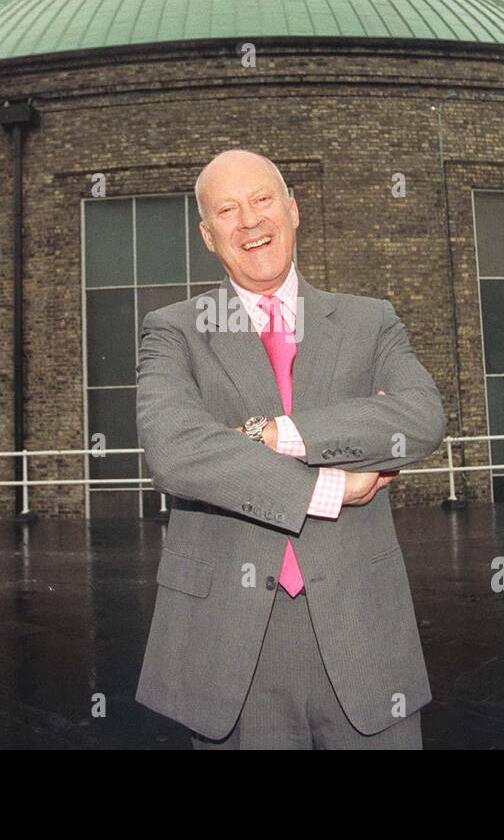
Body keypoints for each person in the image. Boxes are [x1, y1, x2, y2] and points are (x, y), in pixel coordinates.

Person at [134, 149, 446, 749]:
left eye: (262, 200)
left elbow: (420, 416)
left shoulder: (370, 321)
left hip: (364, 637)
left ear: (294, 209)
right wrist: (330, 486)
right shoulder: (173, 330)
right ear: (207, 235)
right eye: (227, 210)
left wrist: (268, 433)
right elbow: (175, 452)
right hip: (234, 649)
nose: (249, 221)